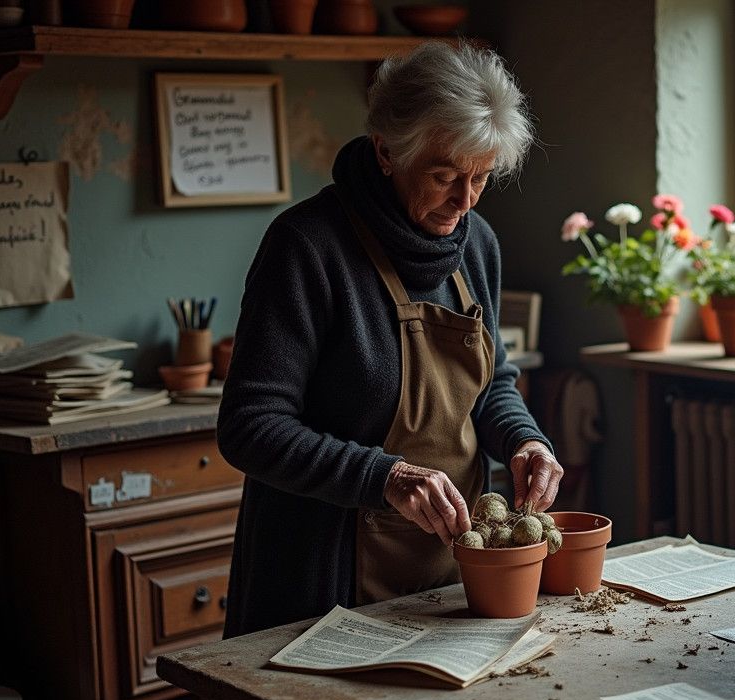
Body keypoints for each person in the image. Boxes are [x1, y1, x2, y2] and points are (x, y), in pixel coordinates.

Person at [218, 42, 563, 637]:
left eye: (480, 178)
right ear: (385, 151)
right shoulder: (306, 248)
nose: (465, 200)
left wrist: (525, 441)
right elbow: (250, 425)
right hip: (322, 586)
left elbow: (490, 385)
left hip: (451, 574)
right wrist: (384, 477)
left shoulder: (477, 244)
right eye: (444, 176)